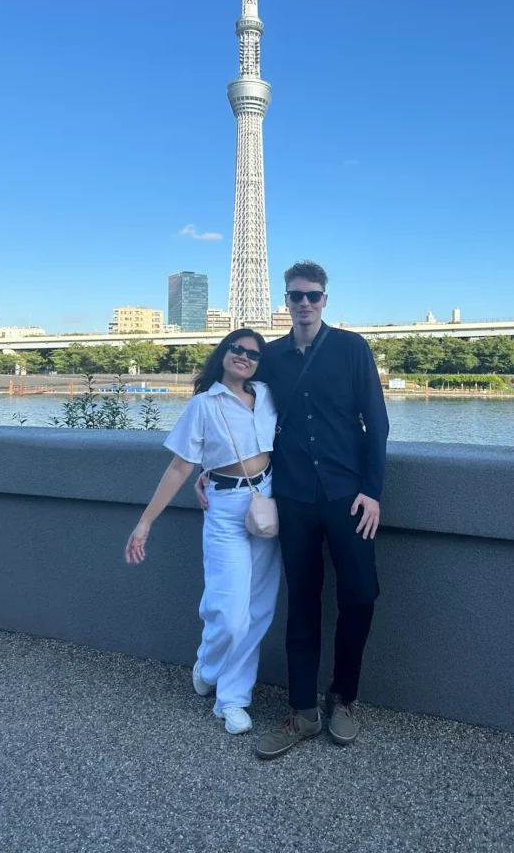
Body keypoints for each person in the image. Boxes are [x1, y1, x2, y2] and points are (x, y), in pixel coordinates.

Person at [197, 262, 389, 759]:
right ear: (286, 300)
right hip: (294, 497)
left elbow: (378, 423)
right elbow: (236, 403)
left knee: (361, 594)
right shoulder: (272, 358)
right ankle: (302, 711)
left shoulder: (352, 349)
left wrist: (373, 490)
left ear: (326, 299)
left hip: (349, 497)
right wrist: (210, 466)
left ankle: (343, 697)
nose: (305, 303)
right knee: (301, 602)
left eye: (314, 295)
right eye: (296, 296)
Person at [125, 329, 281, 736]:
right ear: (223, 353)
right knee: (230, 615)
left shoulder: (267, 395)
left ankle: (232, 700)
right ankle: (208, 665)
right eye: (237, 349)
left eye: (253, 354)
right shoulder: (203, 405)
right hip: (225, 509)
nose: (244, 357)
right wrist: (146, 521)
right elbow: (180, 468)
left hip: (267, 501)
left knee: (258, 610)